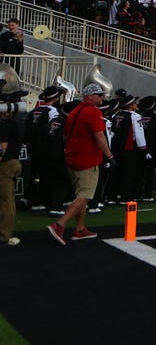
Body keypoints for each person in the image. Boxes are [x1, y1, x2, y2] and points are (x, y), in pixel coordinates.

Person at [47, 83, 115, 244]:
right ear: (90, 96)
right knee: (85, 195)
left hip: (73, 157)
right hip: (87, 159)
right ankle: (60, 224)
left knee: (80, 194)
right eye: (98, 95)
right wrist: (110, 156)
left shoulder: (74, 111)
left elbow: (65, 136)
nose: (101, 98)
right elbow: (99, 136)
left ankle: (80, 228)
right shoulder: (93, 112)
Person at [0, 103, 28, 245]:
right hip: (12, 162)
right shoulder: (16, 123)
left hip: (5, 164)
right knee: (7, 200)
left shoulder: (6, 125)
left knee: (5, 200)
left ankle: (4, 235)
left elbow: (2, 149)